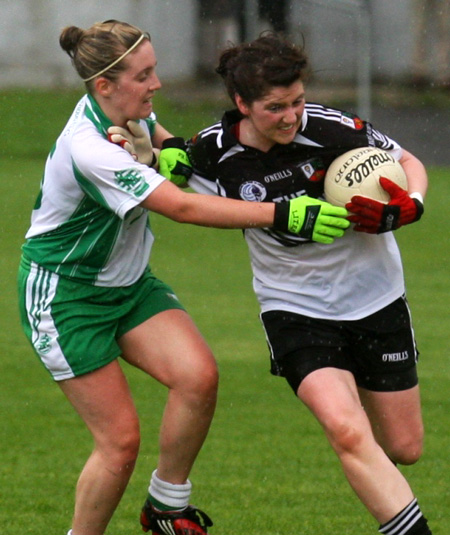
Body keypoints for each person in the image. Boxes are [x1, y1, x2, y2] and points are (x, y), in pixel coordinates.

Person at [17, 22, 350, 535]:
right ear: (105, 84)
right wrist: (283, 214)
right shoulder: (90, 148)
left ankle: (166, 508)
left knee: (197, 378)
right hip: (65, 296)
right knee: (120, 442)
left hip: (126, 285)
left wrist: (172, 144)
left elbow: (155, 137)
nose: (157, 84)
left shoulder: (125, 113)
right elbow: (182, 206)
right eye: (144, 75)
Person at [151, 34, 432, 535]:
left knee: (403, 448)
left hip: (376, 297)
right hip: (294, 308)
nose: (291, 115)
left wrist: (409, 204)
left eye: (297, 100)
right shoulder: (216, 152)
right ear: (242, 104)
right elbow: (168, 163)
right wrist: (163, 150)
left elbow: (408, 163)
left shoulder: (331, 127)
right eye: (274, 107)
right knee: (347, 430)